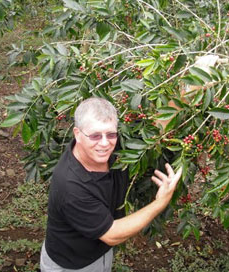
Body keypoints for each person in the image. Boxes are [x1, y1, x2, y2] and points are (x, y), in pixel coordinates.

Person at [40, 97, 182, 272]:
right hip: (73, 264)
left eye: (111, 134)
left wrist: (192, 89)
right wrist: (160, 202)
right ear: (77, 134)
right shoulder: (71, 186)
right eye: (95, 136)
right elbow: (112, 234)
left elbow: (158, 126)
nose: (105, 143)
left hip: (97, 252)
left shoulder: (115, 144)